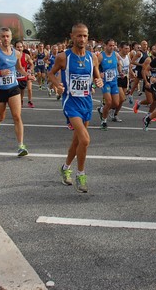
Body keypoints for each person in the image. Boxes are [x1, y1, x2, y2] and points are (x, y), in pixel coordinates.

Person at [48, 23, 103, 193]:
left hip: (86, 102)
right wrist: (57, 84)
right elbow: (51, 73)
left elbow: (96, 75)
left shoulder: (92, 57)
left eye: (85, 36)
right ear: (72, 37)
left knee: (77, 141)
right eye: (79, 36)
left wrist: (98, 81)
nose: (82, 39)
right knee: (85, 140)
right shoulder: (63, 57)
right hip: (70, 103)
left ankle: (65, 168)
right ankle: (81, 174)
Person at [0, 27, 35, 157]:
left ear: (11, 37)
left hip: (13, 87)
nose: (5, 38)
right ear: (0, 38)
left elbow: (19, 68)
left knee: (17, 116)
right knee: (1, 116)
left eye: (8, 36)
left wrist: (27, 75)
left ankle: (21, 146)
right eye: (3, 36)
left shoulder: (17, 53)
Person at [97, 39, 122, 130]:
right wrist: (99, 73)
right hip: (105, 83)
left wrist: (120, 72)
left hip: (114, 82)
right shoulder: (101, 56)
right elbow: (95, 67)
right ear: (105, 46)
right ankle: (104, 121)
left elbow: (119, 64)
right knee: (108, 102)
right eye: (110, 45)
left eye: (113, 46)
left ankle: (102, 109)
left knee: (116, 103)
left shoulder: (115, 54)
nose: (112, 47)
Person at [113, 42, 132, 122]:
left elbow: (129, 67)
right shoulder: (116, 56)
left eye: (128, 48)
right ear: (120, 48)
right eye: (125, 48)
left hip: (124, 79)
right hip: (117, 78)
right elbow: (119, 65)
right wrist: (120, 72)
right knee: (122, 98)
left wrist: (132, 74)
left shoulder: (128, 56)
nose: (127, 50)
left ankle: (115, 114)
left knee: (121, 100)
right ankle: (105, 108)